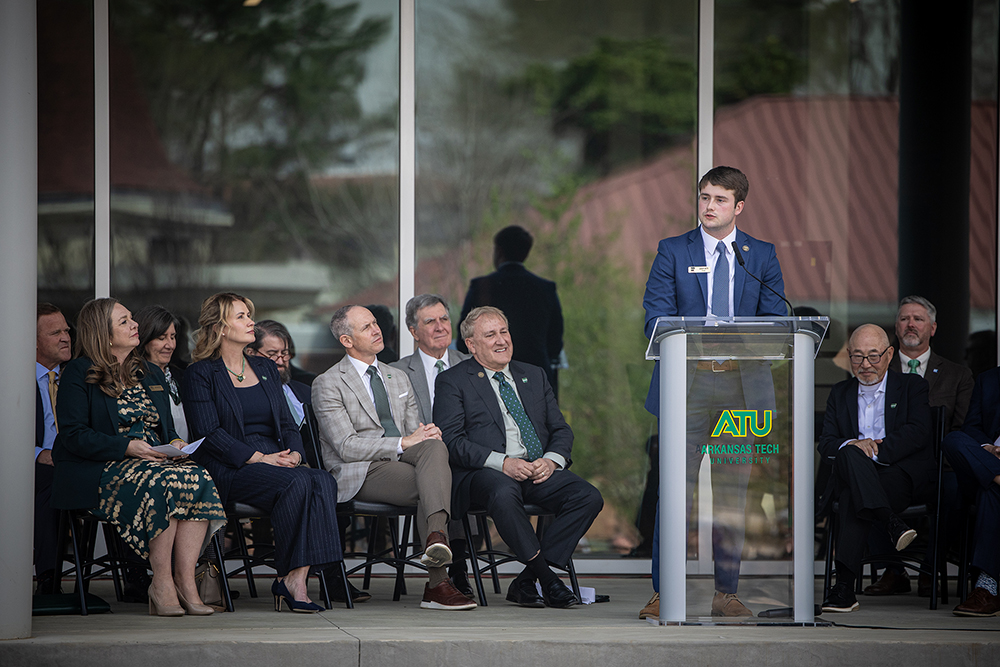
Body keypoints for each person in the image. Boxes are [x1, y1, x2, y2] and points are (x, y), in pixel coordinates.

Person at [640, 166, 786, 619]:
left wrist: (736, 339)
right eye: (704, 197)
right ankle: (666, 593)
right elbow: (654, 318)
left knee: (732, 494)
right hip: (689, 383)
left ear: (739, 206)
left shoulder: (759, 255)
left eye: (720, 199)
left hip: (742, 389)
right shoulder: (672, 250)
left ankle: (727, 593)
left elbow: (778, 322)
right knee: (674, 493)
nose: (709, 206)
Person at [51, 298, 226, 616]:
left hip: (151, 462)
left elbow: (166, 429)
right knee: (162, 481)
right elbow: (74, 435)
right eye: (124, 321)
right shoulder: (78, 372)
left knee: (197, 476)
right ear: (103, 334)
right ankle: (161, 583)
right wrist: (126, 447)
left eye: (132, 319)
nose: (134, 325)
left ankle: (185, 581)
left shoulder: (147, 373)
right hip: (100, 467)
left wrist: (174, 444)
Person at [183, 292, 343, 613]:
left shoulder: (264, 368)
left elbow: (285, 422)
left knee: (322, 481)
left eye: (249, 315)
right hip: (229, 466)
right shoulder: (200, 373)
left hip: (276, 458)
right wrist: (258, 458)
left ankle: (296, 578)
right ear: (220, 327)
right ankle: (289, 577)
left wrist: (295, 454)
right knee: (296, 483)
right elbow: (209, 433)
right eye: (241, 316)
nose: (250, 322)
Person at [435, 306, 604, 609]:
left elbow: (561, 430)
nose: (502, 340)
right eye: (490, 335)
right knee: (503, 490)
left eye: (504, 331)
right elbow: (452, 441)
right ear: (471, 345)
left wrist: (551, 461)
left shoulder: (534, 375)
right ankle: (549, 581)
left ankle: (527, 580)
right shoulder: (453, 381)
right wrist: (503, 463)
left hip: (536, 469)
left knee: (587, 496)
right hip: (484, 473)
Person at [312, 305, 475, 611]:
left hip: (402, 465)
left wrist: (425, 434)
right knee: (436, 483)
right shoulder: (328, 382)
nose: (377, 330)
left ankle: (435, 539)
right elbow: (346, 446)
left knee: (435, 447)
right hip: (359, 471)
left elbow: (416, 436)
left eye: (376, 323)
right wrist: (403, 442)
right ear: (347, 340)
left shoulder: (397, 377)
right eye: (366, 327)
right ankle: (438, 580)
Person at [864, 295, 975, 597]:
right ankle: (893, 571)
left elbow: (962, 430)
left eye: (918, 319)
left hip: (940, 466)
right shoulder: (876, 372)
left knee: (955, 489)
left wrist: (944, 463)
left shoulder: (957, 375)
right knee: (867, 481)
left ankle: (931, 567)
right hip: (890, 463)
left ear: (933, 328)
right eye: (904, 319)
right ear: (896, 328)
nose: (911, 324)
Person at [818, 324, 932, 613]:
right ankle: (890, 522)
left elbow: (918, 432)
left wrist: (874, 447)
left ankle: (844, 588)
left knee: (852, 492)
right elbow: (827, 442)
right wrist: (856, 446)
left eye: (873, 356)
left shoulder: (912, 387)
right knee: (849, 456)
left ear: (890, 354)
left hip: (896, 475)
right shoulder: (840, 392)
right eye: (857, 357)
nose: (865, 364)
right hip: (858, 478)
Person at [391, 294, 473, 596]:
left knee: (462, 469)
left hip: (466, 455)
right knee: (439, 468)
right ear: (413, 332)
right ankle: (452, 569)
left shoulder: (471, 364)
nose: (440, 327)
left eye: (444, 319)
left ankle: (459, 563)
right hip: (420, 456)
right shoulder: (396, 372)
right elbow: (396, 426)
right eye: (430, 321)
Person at [457, 225, 564, 395]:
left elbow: (464, 339)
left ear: (499, 251)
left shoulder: (483, 288)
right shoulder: (545, 289)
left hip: (489, 381)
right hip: (536, 381)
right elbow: (555, 343)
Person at [942, 365, 1000, 616]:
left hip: (986, 483)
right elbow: (971, 427)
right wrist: (987, 448)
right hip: (987, 461)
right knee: (953, 440)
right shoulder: (988, 379)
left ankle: (986, 587)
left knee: (990, 491)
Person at [33, 303, 72, 595]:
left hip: (75, 463)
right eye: (55, 332)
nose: (65, 337)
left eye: (66, 331)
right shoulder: (9, 379)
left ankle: (136, 575)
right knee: (51, 483)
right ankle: (49, 576)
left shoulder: (79, 379)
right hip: (31, 466)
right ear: (32, 341)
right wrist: (37, 453)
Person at [135, 305, 189, 441]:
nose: (170, 345)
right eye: (161, 338)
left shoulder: (182, 376)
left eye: (173, 337)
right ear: (144, 339)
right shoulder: (133, 379)